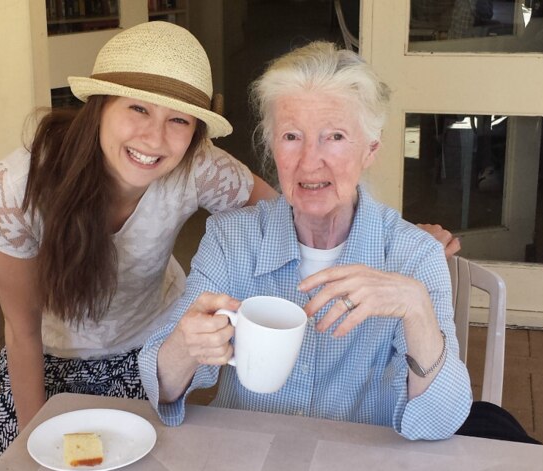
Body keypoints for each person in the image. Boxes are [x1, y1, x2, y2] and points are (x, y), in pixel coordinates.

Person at [0, 21, 280, 458]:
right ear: (99, 106)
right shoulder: (17, 189)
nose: (154, 139)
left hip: (151, 352)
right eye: (138, 109)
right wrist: (31, 442)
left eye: (178, 119)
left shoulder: (198, 167)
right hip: (50, 359)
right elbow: (22, 332)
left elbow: (278, 218)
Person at [138, 40, 474, 440]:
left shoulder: (413, 256)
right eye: (292, 136)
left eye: (334, 136)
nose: (310, 161)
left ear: (371, 149)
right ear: (271, 146)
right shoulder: (233, 239)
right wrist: (186, 345)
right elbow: (160, 386)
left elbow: (441, 421)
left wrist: (417, 311)